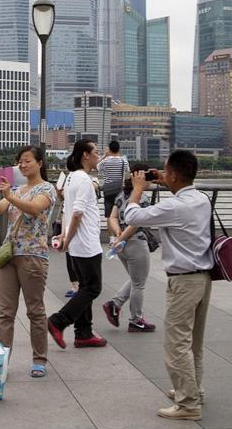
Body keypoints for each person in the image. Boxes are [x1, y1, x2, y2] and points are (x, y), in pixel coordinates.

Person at [122, 150, 213, 420]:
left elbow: (132, 216)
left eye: (165, 171)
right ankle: (194, 390)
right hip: (203, 278)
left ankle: (188, 404)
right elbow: (179, 192)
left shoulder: (174, 207)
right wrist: (165, 180)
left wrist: (138, 189)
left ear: (174, 174)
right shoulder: (201, 199)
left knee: (176, 344)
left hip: (184, 282)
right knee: (193, 342)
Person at [0, 145, 55, 378]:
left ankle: (39, 359)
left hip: (33, 255)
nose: (23, 165)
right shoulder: (17, 189)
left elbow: (35, 209)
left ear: (40, 163)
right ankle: (2, 360)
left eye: (27, 161)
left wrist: (9, 196)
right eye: (20, 162)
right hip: (9, 255)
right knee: (5, 312)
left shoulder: (47, 189)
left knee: (35, 310)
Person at [48, 139, 106, 349]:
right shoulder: (83, 180)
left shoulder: (71, 178)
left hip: (77, 243)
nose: (98, 156)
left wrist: (65, 237)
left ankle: (84, 333)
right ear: (85, 155)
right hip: (86, 243)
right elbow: (78, 213)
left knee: (84, 287)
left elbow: (67, 211)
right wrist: (68, 238)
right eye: (96, 152)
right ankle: (58, 321)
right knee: (93, 288)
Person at [102, 162, 157, 333]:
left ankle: (115, 304)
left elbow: (112, 217)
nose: (150, 181)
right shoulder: (142, 198)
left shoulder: (123, 194)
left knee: (135, 279)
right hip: (136, 243)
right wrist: (123, 237)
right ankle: (136, 320)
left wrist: (118, 234)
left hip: (122, 247)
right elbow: (136, 222)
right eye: (148, 177)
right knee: (139, 284)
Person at [55, 169, 79, 298]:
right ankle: (75, 285)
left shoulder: (87, 180)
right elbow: (64, 212)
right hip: (68, 225)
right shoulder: (68, 180)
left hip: (81, 231)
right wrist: (64, 233)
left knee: (79, 259)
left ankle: (81, 285)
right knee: (70, 258)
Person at [97, 140, 130, 219]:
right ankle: (118, 230)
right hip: (120, 190)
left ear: (109, 149)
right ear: (119, 149)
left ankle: (110, 231)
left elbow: (97, 166)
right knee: (119, 213)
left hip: (108, 189)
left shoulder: (105, 161)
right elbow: (128, 172)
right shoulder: (123, 161)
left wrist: (105, 155)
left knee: (109, 215)